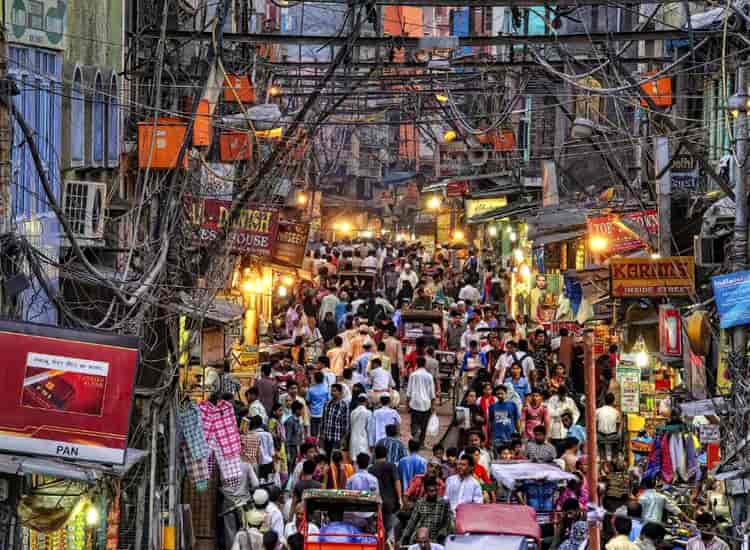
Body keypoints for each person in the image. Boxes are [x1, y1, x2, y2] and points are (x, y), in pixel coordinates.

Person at [401, 477, 454, 546]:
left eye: (435, 490)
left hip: (436, 537)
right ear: (426, 491)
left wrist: (442, 533)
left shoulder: (444, 503)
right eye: (431, 491)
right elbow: (412, 521)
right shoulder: (420, 503)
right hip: (420, 536)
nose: (434, 493)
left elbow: (447, 521)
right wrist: (404, 537)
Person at [370, 443, 403, 543]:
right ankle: (387, 544)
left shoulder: (371, 469)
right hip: (391, 502)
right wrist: (400, 498)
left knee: (380, 526)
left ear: (375, 454)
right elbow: (397, 482)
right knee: (390, 526)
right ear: (386, 454)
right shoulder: (391, 466)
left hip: (377, 502)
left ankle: (381, 543)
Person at [407, 356, 436, 448]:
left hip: (415, 403)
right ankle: (421, 443)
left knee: (414, 422)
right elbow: (432, 393)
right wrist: (433, 406)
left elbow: (409, 391)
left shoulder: (413, 375)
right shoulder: (429, 376)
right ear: (425, 364)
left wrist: (407, 403)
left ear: (416, 364)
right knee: (424, 424)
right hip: (426, 404)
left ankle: (415, 434)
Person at [547, 385, 580, 454]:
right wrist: (562, 410)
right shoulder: (552, 400)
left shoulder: (570, 401)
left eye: (564, 394)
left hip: (567, 431)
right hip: (555, 430)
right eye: (561, 394)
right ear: (558, 393)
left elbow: (576, 413)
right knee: (556, 453)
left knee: (566, 453)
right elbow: (550, 413)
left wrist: (572, 422)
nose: (563, 396)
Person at [320, 383, 349, 457]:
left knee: (334, 458)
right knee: (326, 456)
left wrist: (343, 439)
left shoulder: (343, 405)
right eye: (331, 391)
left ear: (340, 392)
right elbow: (323, 420)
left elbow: (345, 423)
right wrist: (321, 435)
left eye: (334, 391)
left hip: (336, 438)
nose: (332, 393)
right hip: (327, 437)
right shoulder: (327, 404)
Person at [489, 384, 520, 452]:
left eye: (502, 393)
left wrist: (518, 433)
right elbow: (491, 422)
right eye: (498, 394)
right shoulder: (492, 407)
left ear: (506, 393)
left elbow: (516, 420)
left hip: (510, 437)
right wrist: (491, 437)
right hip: (497, 438)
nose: (500, 395)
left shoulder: (512, 405)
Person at [596, 392, 622, 462]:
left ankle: (602, 458)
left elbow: (596, 424)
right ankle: (614, 458)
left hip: (600, 436)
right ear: (613, 401)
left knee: (600, 442)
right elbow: (618, 425)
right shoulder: (616, 412)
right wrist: (616, 433)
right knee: (618, 439)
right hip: (612, 436)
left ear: (604, 400)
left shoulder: (598, 411)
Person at [306, 371, 330, 437]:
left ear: (315, 379)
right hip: (323, 413)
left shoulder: (310, 389)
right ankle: (320, 445)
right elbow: (329, 400)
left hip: (313, 413)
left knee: (313, 433)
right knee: (322, 432)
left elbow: (307, 401)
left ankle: (314, 445)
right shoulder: (326, 389)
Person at [350, 393, 373, 459]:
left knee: (355, 460)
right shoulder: (368, 412)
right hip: (363, 439)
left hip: (353, 439)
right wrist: (371, 443)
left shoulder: (353, 412)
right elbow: (369, 429)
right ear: (366, 401)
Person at [284, 401, 305, 473]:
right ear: (297, 410)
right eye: (301, 410)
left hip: (296, 447)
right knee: (290, 466)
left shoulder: (298, 420)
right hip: (291, 448)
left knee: (294, 465)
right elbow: (288, 438)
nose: (302, 411)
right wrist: (288, 452)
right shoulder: (290, 421)